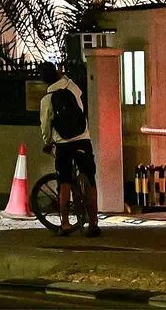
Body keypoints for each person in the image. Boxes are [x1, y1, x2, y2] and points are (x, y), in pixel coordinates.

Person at [38, 61, 101, 237]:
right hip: (82, 139)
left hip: (63, 143)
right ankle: (94, 223)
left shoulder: (47, 99)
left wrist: (47, 142)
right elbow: (81, 110)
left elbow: (45, 125)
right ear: (58, 72)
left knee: (64, 181)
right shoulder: (73, 86)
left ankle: (65, 224)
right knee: (90, 178)